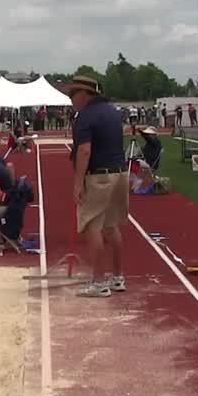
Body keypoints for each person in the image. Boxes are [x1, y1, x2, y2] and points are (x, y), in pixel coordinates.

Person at [68, 75, 128, 298]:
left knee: (92, 226)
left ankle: (98, 282)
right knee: (111, 226)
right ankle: (117, 277)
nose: (71, 99)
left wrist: (77, 183)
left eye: (73, 94)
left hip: (98, 177)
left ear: (84, 94)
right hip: (119, 174)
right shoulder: (113, 112)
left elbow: (85, 150)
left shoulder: (85, 116)